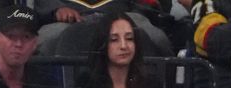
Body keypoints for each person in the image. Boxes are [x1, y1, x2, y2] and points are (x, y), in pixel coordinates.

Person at [34, 0, 172, 56]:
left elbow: (151, 4)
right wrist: (57, 8)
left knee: (155, 37)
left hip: (124, 14)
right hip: (70, 19)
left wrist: (137, 11)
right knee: (42, 40)